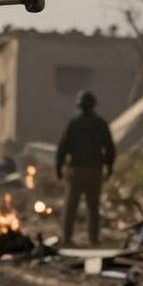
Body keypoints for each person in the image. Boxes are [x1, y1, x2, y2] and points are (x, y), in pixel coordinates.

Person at [55, 90, 117, 246]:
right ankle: (93, 239)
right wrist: (109, 167)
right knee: (93, 207)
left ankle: (67, 238)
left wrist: (59, 167)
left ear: (79, 105)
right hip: (95, 170)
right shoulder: (100, 124)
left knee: (71, 206)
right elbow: (109, 147)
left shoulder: (74, 123)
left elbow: (63, 147)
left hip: (76, 170)